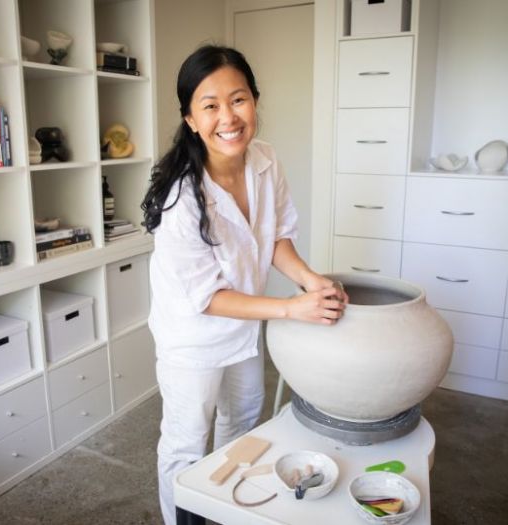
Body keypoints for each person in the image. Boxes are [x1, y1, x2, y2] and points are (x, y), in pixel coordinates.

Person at [141, 44, 347, 525]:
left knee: (242, 428)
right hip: (192, 339)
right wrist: (292, 309)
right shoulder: (180, 199)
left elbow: (275, 238)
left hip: (245, 331)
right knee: (187, 442)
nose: (228, 117)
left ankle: (226, 513)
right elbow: (208, 297)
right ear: (191, 119)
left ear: (254, 101)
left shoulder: (265, 161)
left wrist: (313, 281)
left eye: (238, 100)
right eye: (209, 105)